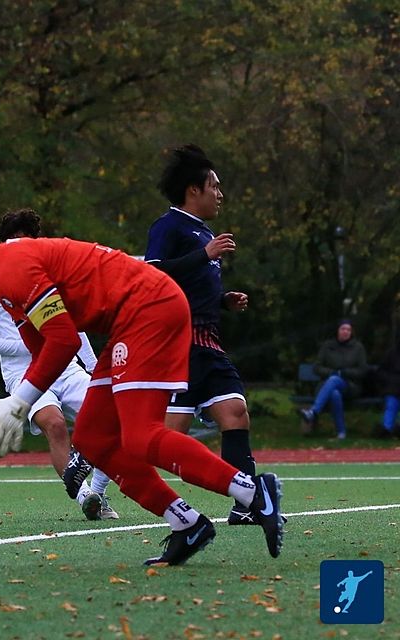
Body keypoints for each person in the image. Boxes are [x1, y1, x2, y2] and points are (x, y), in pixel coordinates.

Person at [0, 199, 284, 566]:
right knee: (92, 440)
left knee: (140, 435)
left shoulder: (11, 266)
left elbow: (63, 341)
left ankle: (254, 492)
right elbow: (43, 345)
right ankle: (186, 523)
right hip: (132, 317)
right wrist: (20, 399)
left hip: (149, 308)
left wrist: (17, 405)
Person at [0, 208, 119, 520]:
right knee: (54, 425)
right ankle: (83, 498)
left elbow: (72, 325)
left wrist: (92, 366)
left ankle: (99, 494)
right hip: (23, 373)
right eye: (15, 243)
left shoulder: (44, 270)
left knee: (111, 421)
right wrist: (32, 347)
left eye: (27, 243)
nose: (20, 251)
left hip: (66, 366)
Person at [144, 144, 258, 526]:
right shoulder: (168, 226)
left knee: (236, 412)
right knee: (164, 438)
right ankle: (104, 467)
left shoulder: (201, 231)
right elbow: (154, 274)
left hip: (207, 341)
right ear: (194, 190)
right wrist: (204, 254)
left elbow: (192, 285)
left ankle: (246, 505)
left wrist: (223, 299)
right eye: (215, 186)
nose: (220, 194)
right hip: (177, 345)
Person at [298, 320, 368, 439]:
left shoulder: (358, 348)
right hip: (326, 385)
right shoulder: (328, 346)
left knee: (335, 380)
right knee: (334, 393)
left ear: (351, 332)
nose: (345, 332)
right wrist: (331, 372)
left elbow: (363, 370)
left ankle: (313, 411)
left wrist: (344, 373)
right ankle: (341, 432)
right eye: (343, 329)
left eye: (348, 329)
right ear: (338, 331)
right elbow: (317, 367)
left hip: (350, 385)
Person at [374, 341, 400, 438]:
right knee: (391, 403)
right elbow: (380, 372)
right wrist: (391, 380)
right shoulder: (391, 353)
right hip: (392, 388)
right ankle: (386, 429)